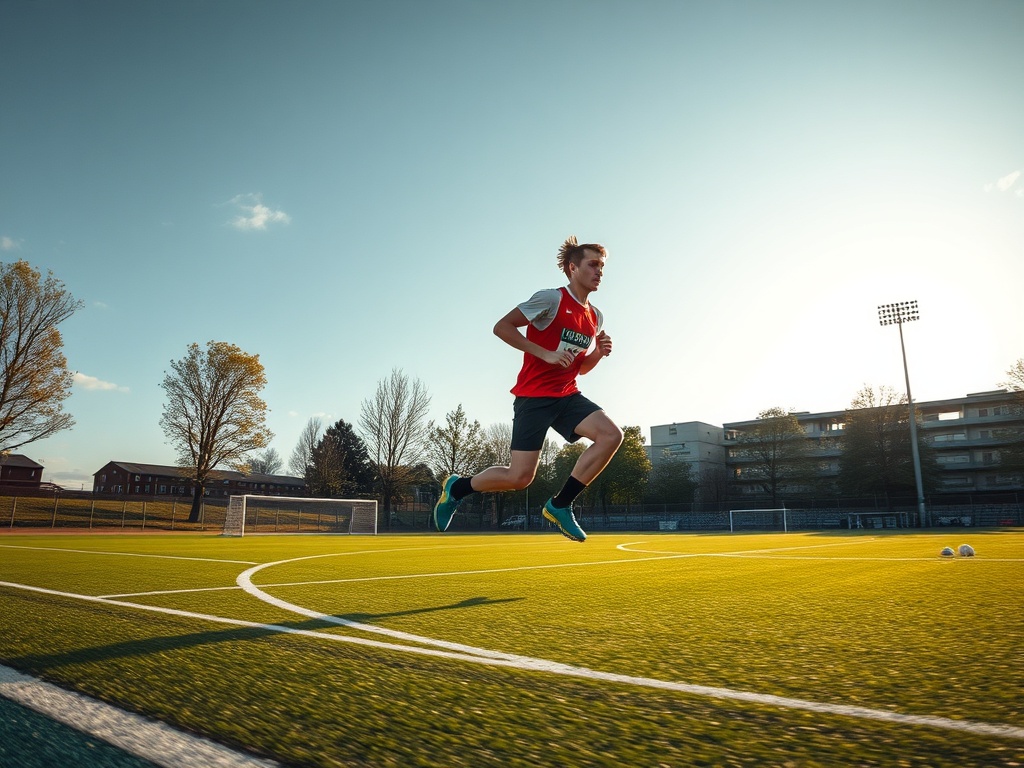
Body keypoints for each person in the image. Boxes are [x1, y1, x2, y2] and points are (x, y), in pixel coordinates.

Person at [432, 235, 623, 542]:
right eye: (593, 265)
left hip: (567, 395)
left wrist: (597, 354)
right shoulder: (551, 299)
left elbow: (579, 367)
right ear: (573, 268)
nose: (600, 271)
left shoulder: (595, 316)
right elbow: (502, 327)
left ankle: (560, 505)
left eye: (602, 266)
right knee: (519, 478)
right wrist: (544, 353)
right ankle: (457, 487)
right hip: (533, 397)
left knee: (611, 435)